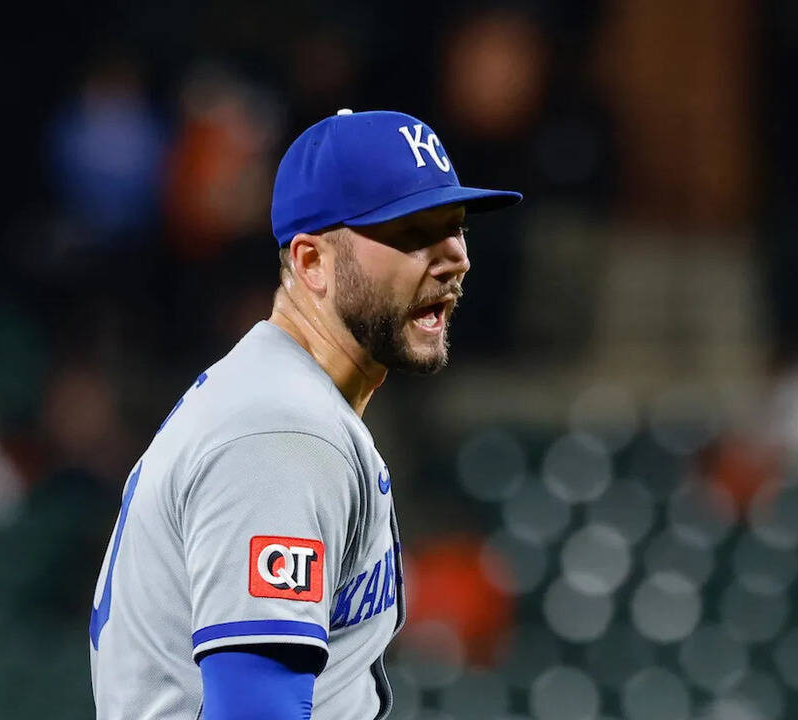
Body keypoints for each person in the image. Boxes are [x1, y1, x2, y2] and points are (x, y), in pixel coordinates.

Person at [88, 109, 521, 719]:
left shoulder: (285, 401)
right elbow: (255, 709)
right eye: (412, 232)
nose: (455, 258)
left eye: (455, 228)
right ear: (312, 263)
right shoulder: (281, 432)